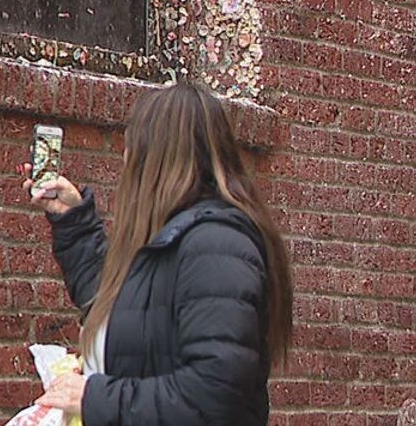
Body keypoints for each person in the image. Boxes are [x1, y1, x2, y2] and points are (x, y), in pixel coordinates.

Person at [22, 82, 292, 425]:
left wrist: (94, 397)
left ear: (156, 157)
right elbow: (117, 303)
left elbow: (214, 397)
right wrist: (72, 219)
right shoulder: (176, 239)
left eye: (131, 146)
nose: (125, 159)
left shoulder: (216, 247)